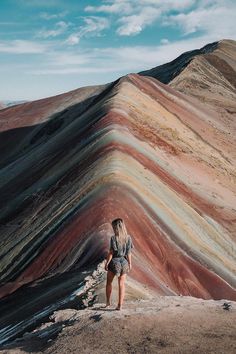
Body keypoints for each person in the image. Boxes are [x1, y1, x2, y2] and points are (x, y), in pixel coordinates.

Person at [104, 218, 134, 310]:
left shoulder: (113, 238)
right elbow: (129, 252)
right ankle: (120, 305)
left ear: (116, 228)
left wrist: (107, 263)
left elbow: (111, 252)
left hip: (115, 262)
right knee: (122, 284)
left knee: (109, 282)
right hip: (124, 262)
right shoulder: (128, 238)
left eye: (113, 227)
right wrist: (130, 263)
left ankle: (108, 303)